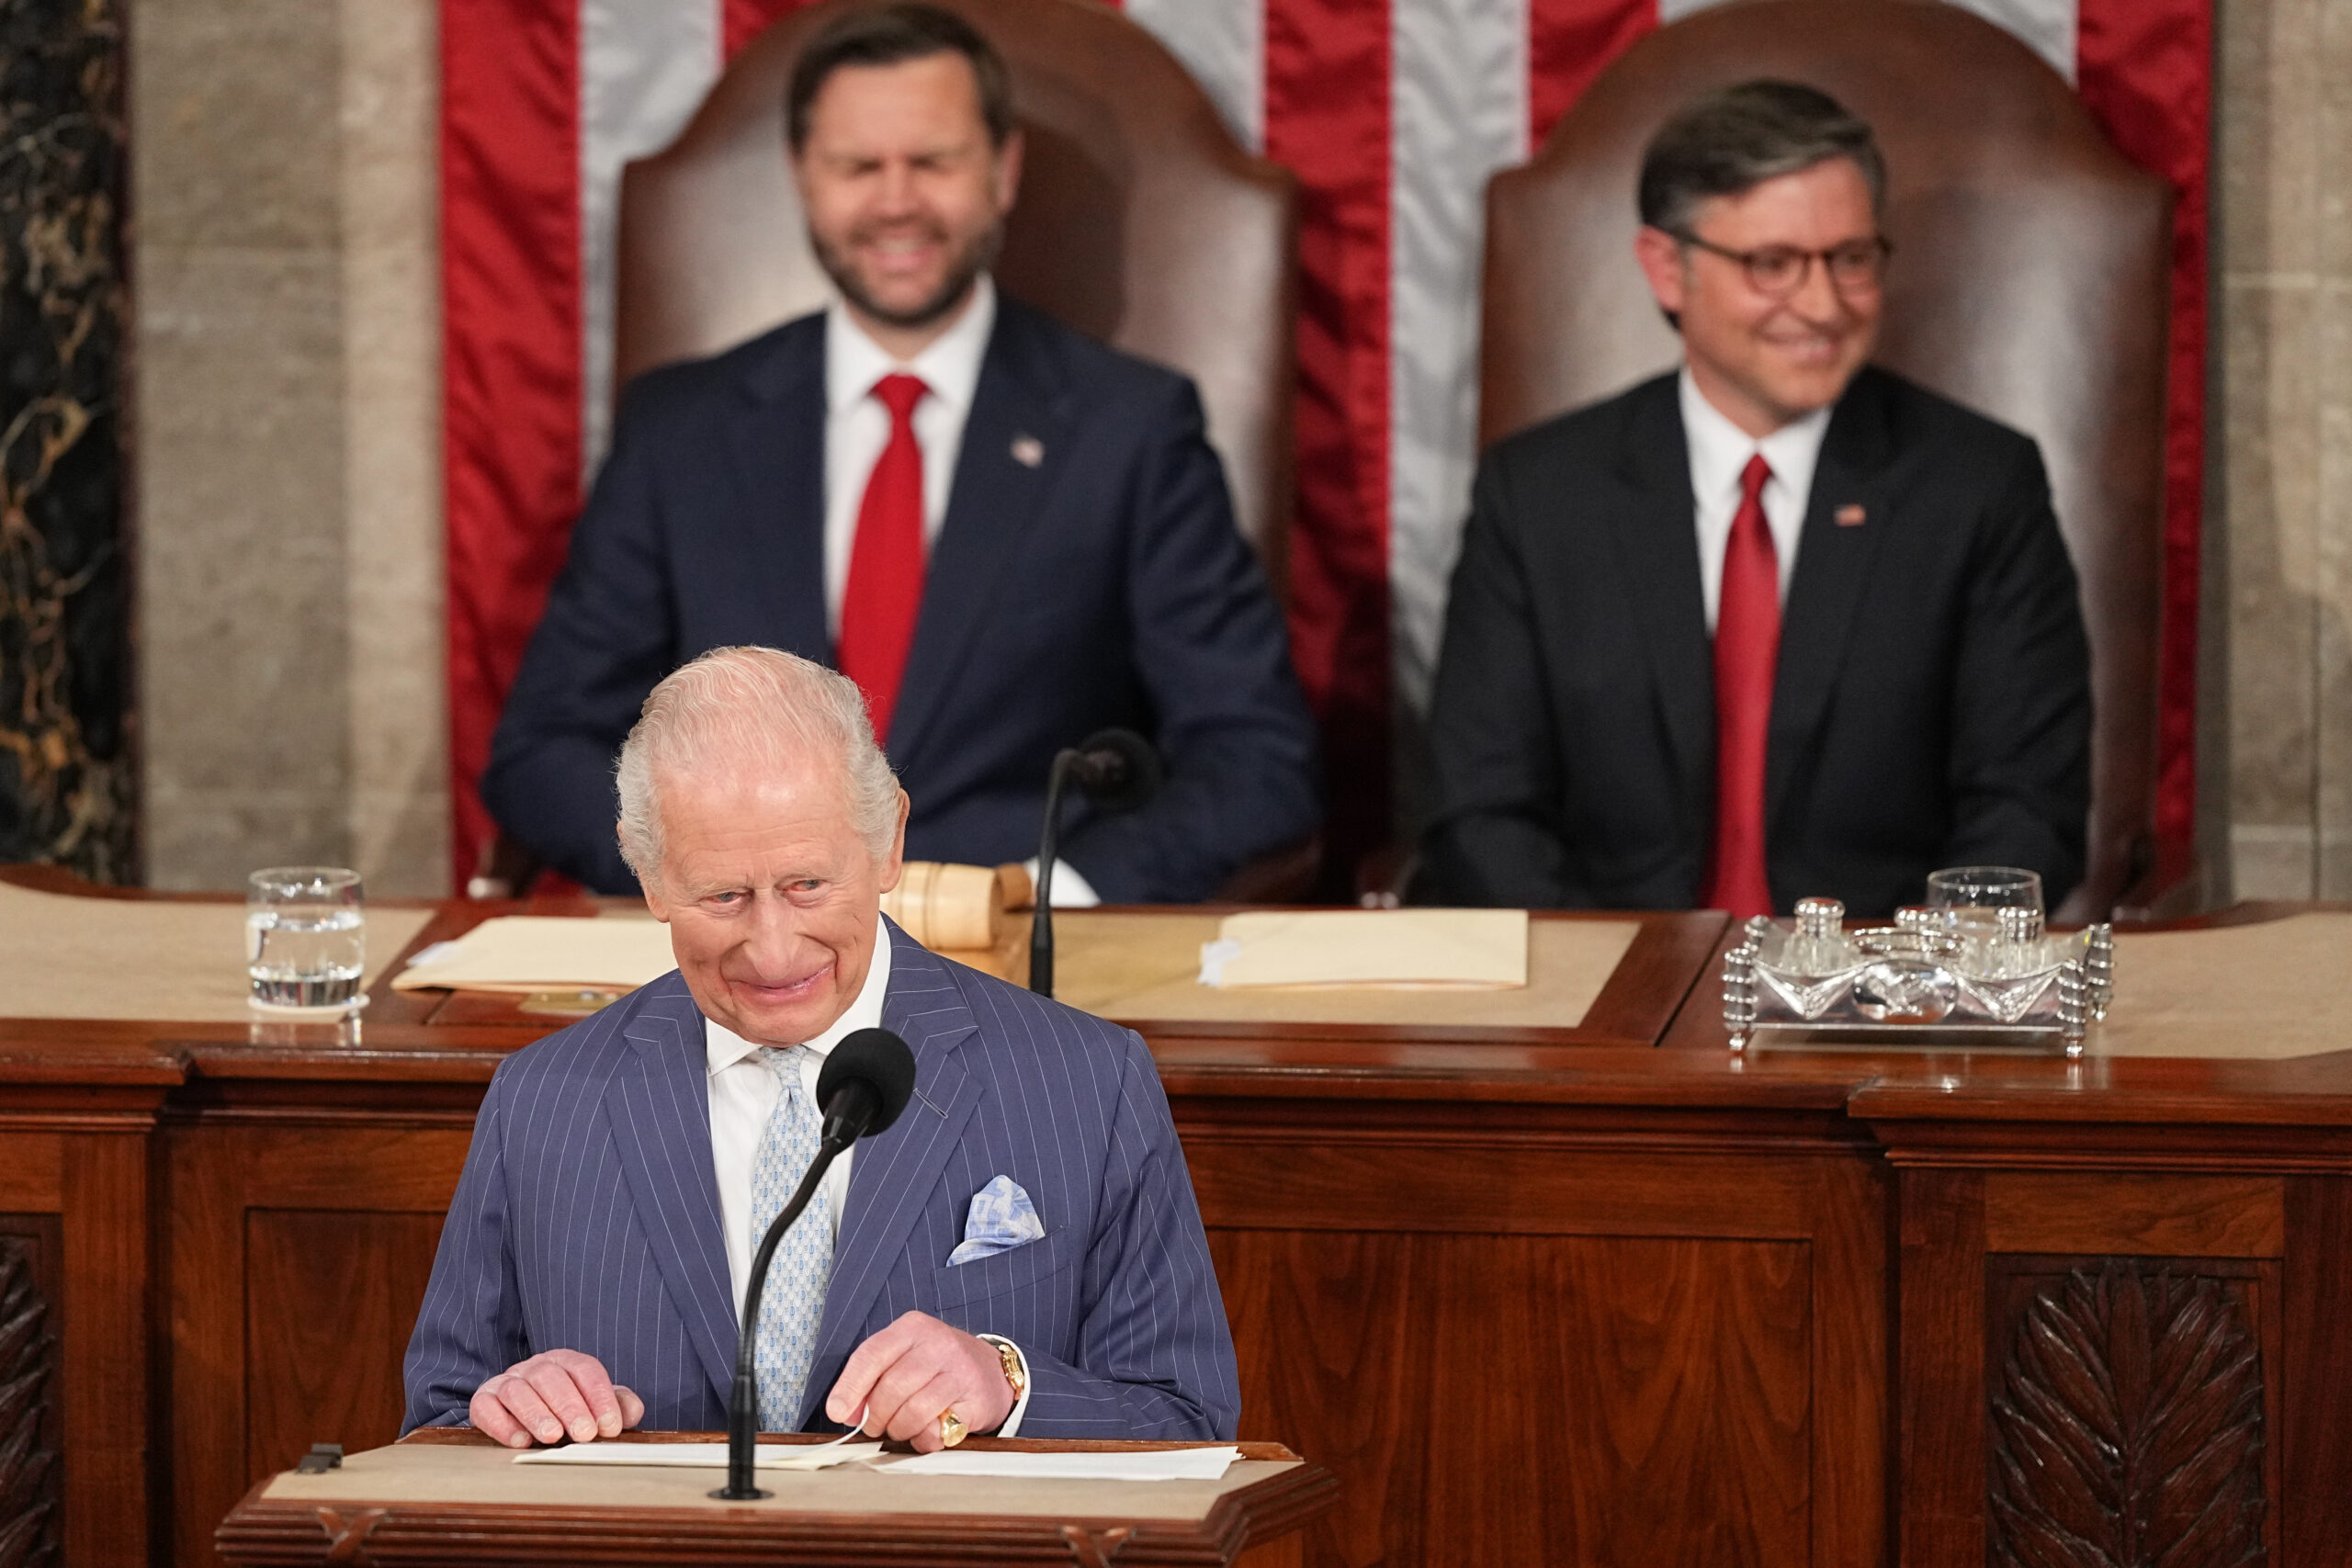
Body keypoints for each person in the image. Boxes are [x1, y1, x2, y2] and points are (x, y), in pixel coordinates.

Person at [483, 1, 1317, 904]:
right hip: (736, 965)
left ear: (1002, 171)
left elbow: (1256, 757)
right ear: (804, 177)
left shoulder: (1131, 428)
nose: (895, 200)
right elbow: (543, 749)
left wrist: (1054, 897)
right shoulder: (681, 430)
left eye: (932, 161)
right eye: (856, 165)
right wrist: (711, 883)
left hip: (1020, 967)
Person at [405, 647, 1239, 1448]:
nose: (773, 950)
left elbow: (1190, 1421)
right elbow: (438, 1424)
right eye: (724, 895)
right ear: (650, 876)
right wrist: (505, 1411)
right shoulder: (543, 1101)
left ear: (890, 845)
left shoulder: (1085, 1083)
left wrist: (1011, 1385)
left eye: (807, 885)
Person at [1420, 80, 2090, 919]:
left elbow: (2027, 812)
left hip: (1880, 1010)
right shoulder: (1539, 495)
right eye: (1772, 264)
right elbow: (1480, 817)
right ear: (1669, 268)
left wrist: (1891, 993)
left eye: (1850, 259)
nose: (1820, 305)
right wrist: (1621, 1001)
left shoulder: (1980, 486)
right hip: (1611, 1007)